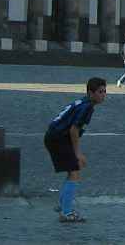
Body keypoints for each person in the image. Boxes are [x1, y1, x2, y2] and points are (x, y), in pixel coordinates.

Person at [44, 77, 107, 223]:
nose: (103, 95)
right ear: (91, 93)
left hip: (55, 136)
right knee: (75, 172)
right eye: (100, 92)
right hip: (58, 139)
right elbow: (74, 130)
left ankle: (63, 204)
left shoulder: (83, 102)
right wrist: (77, 153)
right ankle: (66, 212)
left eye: (104, 91)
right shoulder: (87, 107)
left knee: (73, 171)